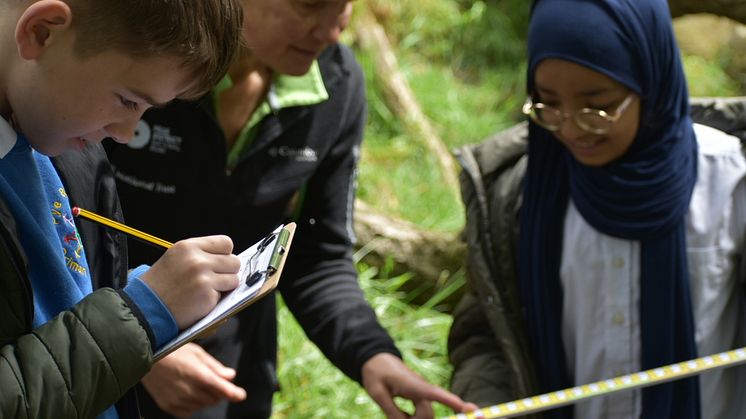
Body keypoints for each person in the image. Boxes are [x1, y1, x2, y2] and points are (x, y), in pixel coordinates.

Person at [104, 1, 476, 418]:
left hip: (233, 377)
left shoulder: (335, 82)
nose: (331, 31)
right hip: (96, 357)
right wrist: (137, 345)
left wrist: (372, 354)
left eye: (343, 6)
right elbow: (58, 227)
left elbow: (316, 255)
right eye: (310, 5)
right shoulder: (145, 50)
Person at [447, 1, 746, 419]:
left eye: (598, 107)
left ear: (650, 81)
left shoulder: (731, 182)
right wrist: (487, 404)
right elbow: (486, 337)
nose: (570, 127)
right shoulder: (515, 198)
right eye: (547, 104)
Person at [0, 0, 244, 417]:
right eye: (129, 100)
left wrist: (148, 294)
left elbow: (66, 300)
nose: (128, 134)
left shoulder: (67, 142)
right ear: (43, 32)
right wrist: (142, 314)